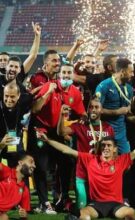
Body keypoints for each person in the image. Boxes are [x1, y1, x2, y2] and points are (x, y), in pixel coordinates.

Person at [37, 126, 135, 220]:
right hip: (96, 204)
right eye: (103, 146)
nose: (105, 148)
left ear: (115, 149)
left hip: (116, 204)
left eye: (109, 146)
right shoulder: (90, 159)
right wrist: (48, 140)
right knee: (83, 215)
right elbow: (66, 150)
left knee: (129, 213)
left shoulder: (121, 161)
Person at [31, 63, 86, 214]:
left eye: (69, 73)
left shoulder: (74, 91)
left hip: (59, 132)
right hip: (42, 129)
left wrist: (82, 120)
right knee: (41, 166)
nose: (67, 75)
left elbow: (81, 113)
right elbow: (35, 109)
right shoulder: (50, 86)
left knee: (66, 163)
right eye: (64, 73)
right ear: (59, 74)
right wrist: (48, 92)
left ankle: (63, 198)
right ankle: (44, 202)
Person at [58, 98, 115, 209]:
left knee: (100, 207)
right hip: (83, 172)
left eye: (96, 107)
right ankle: (70, 205)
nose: (93, 109)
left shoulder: (108, 128)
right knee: (82, 207)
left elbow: (112, 152)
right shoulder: (80, 126)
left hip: (100, 174)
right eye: (91, 107)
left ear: (102, 110)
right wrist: (61, 115)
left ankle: (69, 205)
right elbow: (61, 132)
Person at [0, 83, 32, 167]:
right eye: (6, 96)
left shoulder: (24, 103)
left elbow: (33, 96)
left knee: (23, 167)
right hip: (1, 143)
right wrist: (1, 144)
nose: (9, 99)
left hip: (15, 143)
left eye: (12, 96)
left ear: (19, 96)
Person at [0, 153, 35, 220]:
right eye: (31, 162)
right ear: (20, 163)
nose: (34, 166)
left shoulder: (25, 190)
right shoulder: (7, 172)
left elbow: (24, 216)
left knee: (4, 217)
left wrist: (24, 215)